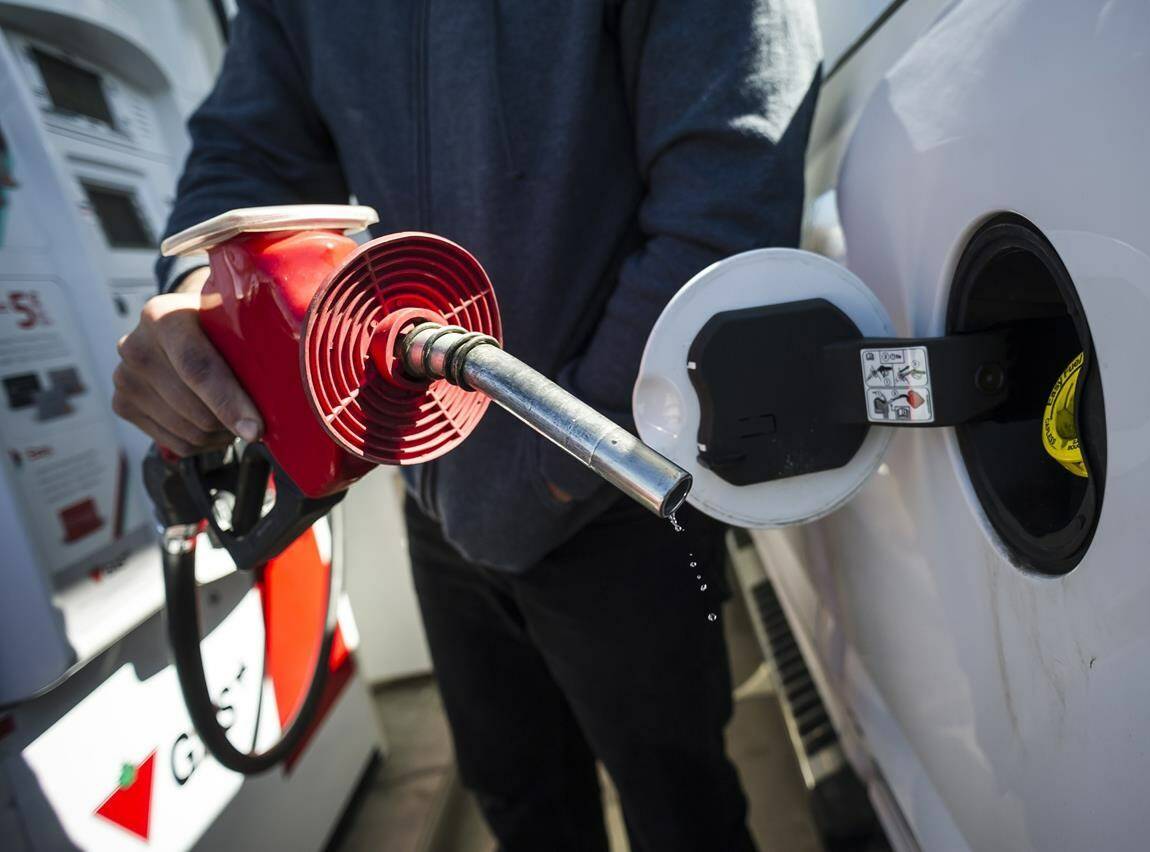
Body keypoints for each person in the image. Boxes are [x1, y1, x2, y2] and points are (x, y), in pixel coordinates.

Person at [112, 2, 820, 848]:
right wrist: (203, 296)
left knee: (680, 806)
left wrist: (547, 470)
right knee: (518, 800)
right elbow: (246, 159)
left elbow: (725, 209)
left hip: (614, 488)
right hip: (436, 498)